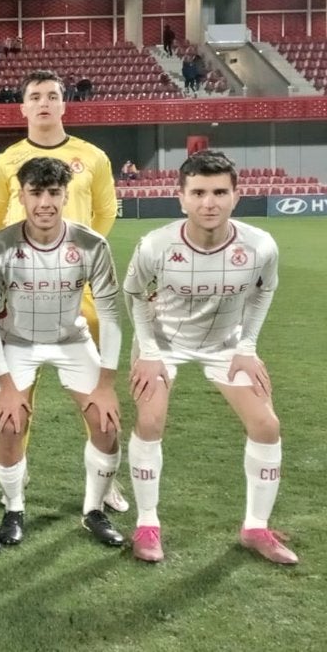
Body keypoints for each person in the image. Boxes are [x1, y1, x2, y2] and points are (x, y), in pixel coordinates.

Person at [123, 150, 296, 565]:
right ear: (180, 197)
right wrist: (147, 351)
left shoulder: (260, 245)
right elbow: (133, 293)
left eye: (220, 192)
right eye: (198, 192)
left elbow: (264, 290)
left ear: (237, 196)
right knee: (149, 420)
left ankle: (256, 527)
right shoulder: (156, 245)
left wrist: (248, 346)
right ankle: (148, 524)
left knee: (266, 425)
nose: (209, 202)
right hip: (162, 343)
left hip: (225, 344)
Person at [0, 69, 126, 513]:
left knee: (97, 396)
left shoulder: (93, 156)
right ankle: (15, 472)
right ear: (23, 106)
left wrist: (73, 258)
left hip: (78, 285)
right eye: (35, 96)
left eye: (52, 95)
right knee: (15, 396)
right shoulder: (6, 160)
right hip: (21, 284)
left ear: (64, 103)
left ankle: (107, 483)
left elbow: (104, 211)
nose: (44, 103)